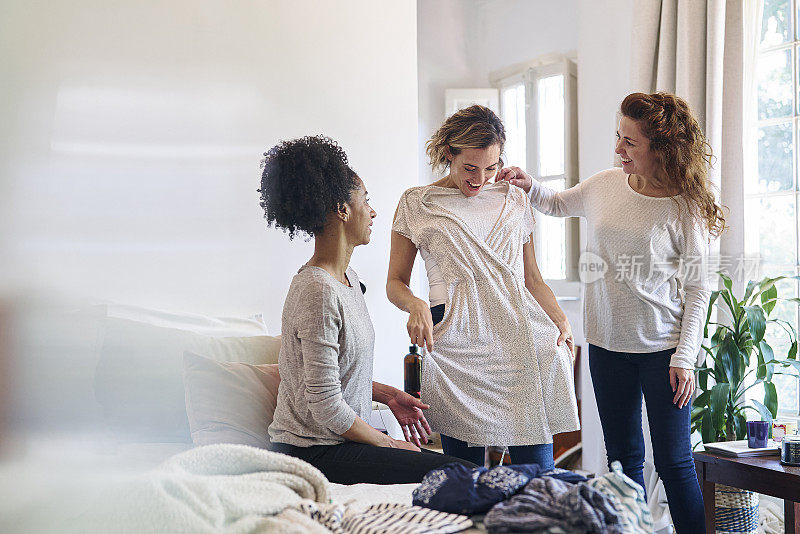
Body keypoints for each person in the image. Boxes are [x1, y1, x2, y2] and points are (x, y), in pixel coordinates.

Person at [498, 92, 724, 533]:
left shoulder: (685, 210)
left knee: (676, 464)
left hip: (664, 353)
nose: (617, 149)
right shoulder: (605, 185)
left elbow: (699, 289)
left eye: (629, 142)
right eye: (617, 137)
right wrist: (529, 185)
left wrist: (685, 357)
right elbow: (559, 203)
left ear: (661, 149)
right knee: (624, 463)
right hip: (606, 347)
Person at [260, 135, 476, 484]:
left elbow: (331, 376)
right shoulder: (317, 290)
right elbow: (325, 404)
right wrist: (389, 444)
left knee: (462, 472)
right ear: (341, 209)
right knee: (459, 474)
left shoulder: (347, 279)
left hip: (337, 442)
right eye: (366, 200)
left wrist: (389, 395)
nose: (373, 211)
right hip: (312, 452)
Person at [386, 105, 580, 469]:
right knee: (464, 475)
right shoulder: (417, 203)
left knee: (536, 474)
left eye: (491, 168)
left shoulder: (514, 198)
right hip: (459, 342)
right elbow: (395, 282)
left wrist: (561, 321)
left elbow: (532, 279)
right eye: (469, 168)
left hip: (519, 338)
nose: (479, 180)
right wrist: (415, 305)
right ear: (449, 154)